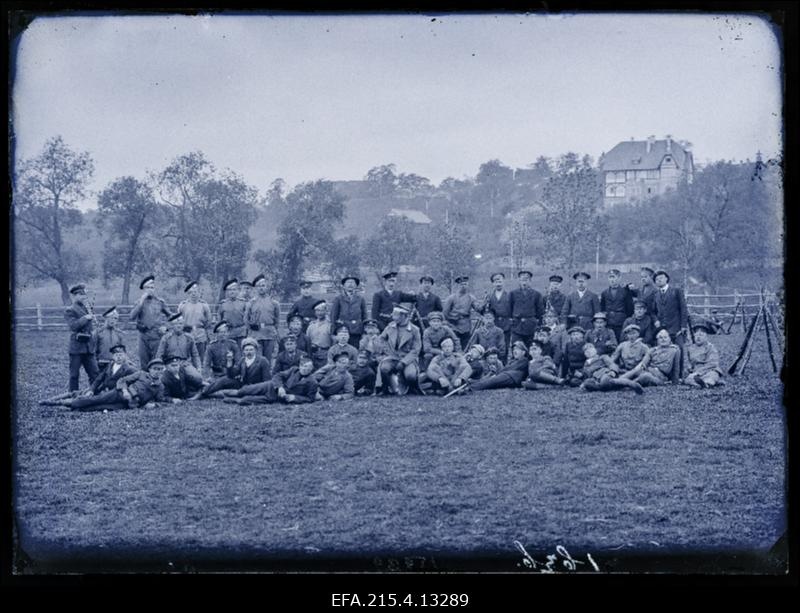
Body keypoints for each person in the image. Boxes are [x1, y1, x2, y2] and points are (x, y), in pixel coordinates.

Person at [40, 343, 136, 406]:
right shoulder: (110, 365)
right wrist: (92, 389)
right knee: (76, 393)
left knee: (84, 400)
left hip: (112, 394)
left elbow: (135, 382)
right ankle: (50, 400)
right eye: (116, 355)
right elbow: (99, 379)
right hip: (101, 389)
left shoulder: (129, 369)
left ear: (125, 356)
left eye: (121, 355)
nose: (118, 357)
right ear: (113, 357)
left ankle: (57, 403)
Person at [67, 358, 167, 412]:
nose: (157, 372)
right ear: (149, 369)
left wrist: (153, 405)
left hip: (129, 404)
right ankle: (63, 403)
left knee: (101, 407)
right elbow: (122, 380)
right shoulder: (141, 374)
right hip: (119, 393)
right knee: (97, 399)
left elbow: (160, 399)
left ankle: (77, 408)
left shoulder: (160, 386)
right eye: (155, 369)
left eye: (160, 369)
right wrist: (125, 391)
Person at [223, 355, 319, 405]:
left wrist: (294, 398)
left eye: (307, 367)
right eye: (302, 366)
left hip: (275, 398)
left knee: (246, 400)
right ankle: (217, 394)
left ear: (311, 368)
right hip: (270, 386)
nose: (304, 369)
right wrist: (280, 387)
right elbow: (278, 376)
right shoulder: (294, 370)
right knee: (244, 390)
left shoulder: (313, 382)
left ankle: (233, 400)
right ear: (299, 366)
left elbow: (310, 399)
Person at [193, 337, 271, 399]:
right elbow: (232, 375)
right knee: (224, 380)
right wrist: (229, 362)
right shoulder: (243, 360)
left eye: (251, 350)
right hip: (243, 385)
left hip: (255, 387)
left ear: (256, 350)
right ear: (243, 351)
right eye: (246, 350)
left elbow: (266, 381)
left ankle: (213, 394)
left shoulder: (262, 361)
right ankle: (203, 392)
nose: (249, 352)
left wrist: (260, 390)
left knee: (228, 393)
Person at [375, 303, 422, 395]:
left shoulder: (415, 330)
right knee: (384, 368)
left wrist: (404, 362)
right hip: (392, 357)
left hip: (407, 358)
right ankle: (385, 389)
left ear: (404, 316)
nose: (393, 317)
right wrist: (387, 350)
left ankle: (412, 389)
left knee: (410, 375)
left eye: (396, 315)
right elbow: (381, 339)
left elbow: (416, 349)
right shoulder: (390, 326)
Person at [63, 284, 100, 392]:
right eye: (81, 295)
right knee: (74, 375)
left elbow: (91, 326)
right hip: (77, 348)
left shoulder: (87, 308)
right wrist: (85, 318)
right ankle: (72, 396)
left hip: (89, 347)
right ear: (74, 296)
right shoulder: (69, 310)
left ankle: (95, 394)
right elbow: (73, 326)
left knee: (94, 373)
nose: (84, 297)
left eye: (84, 294)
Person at [129, 275, 172, 369]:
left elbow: (172, 317)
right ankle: (145, 382)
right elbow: (131, 317)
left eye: (152, 287)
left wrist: (166, 327)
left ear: (155, 288)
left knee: (156, 362)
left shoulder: (160, 302)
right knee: (144, 363)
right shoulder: (139, 302)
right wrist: (141, 301)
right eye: (147, 288)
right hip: (143, 336)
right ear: (143, 289)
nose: (150, 290)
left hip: (156, 336)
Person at [652, 270, 688, 376]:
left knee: (679, 349)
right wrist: (656, 320)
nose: (659, 280)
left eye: (661, 278)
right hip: (662, 329)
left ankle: (680, 375)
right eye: (657, 279)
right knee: (663, 350)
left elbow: (683, 309)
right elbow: (653, 311)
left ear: (667, 279)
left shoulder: (676, 291)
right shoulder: (656, 294)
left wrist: (683, 326)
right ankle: (666, 374)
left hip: (676, 327)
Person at [155, 312, 203, 387]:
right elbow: (159, 355)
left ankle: (189, 387)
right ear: (172, 326)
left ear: (183, 325)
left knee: (198, 378)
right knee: (161, 380)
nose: (178, 326)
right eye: (176, 324)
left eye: (180, 324)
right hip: (169, 364)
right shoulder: (166, 338)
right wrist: (161, 368)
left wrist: (198, 367)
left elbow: (195, 354)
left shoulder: (189, 338)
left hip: (184, 363)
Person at [579, 343, 644, 394]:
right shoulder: (586, 364)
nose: (589, 351)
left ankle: (631, 384)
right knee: (587, 383)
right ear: (585, 354)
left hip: (606, 373)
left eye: (591, 349)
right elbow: (586, 375)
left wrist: (613, 371)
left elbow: (612, 364)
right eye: (586, 351)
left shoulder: (602, 357)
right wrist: (583, 383)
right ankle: (616, 385)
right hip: (595, 379)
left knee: (605, 381)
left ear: (595, 350)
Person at [245, 274, 281, 364]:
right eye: (258, 286)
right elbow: (246, 319)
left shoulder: (274, 303)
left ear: (267, 287)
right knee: (257, 358)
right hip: (256, 333)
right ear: (256, 288)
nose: (261, 288)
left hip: (269, 333)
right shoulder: (251, 303)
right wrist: (252, 330)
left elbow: (277, 319)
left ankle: (267, 376)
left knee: (268, 359)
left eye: (263, 285)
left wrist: (273, 330)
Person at [443, 275, 484, 350]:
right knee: (453, 346)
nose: (463, 286)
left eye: (465, 284)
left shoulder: (471, 298)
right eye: (461, 284)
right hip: (453, 325)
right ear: (458, 285)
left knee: (466, 346)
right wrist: (450, 322)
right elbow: (445, 313)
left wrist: (484, 304)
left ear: (468, 285)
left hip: (466, 326)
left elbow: (478, 308)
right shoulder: (451, 298)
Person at [509, 270, 545, 350]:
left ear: (530, 281)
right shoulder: (513, 294)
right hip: (517, 326)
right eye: (522, 280)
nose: (524, 283)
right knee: (516, 348)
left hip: (531, 326)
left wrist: (538, 325)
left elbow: (540, 312)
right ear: (519, 281)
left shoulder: (536, 294)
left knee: (531, 348)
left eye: (526, 280)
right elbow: (510, 309)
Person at [178, 281, 212, 361]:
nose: (193, 294)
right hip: (187, 334)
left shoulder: (204, 305)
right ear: (188, 294)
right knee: (186, 357)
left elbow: (208, 320)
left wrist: (202, 329)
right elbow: (178, 320)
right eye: (190, 292)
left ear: (199, 292)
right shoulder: (182, 305)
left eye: (195, 292)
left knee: (200, 357)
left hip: (200, 334)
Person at [330, 276, 367, 349]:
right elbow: (333, 316)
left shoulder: (360, 299)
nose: (350, 284)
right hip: (343, 331)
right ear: (343, 286)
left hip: (356, 331)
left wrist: (364, 332)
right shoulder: (338, 299)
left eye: (353, 283)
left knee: (355, 351)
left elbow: (364, 316)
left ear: (356, 286)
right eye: (348, 282)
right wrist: (333, 333)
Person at [684, 322, 725, 388]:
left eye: (701, 335)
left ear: (706, 337)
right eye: (696, 335)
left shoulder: (710, 347)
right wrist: (689, 368)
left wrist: (698, 372)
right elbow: (689, 362)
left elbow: (712, 364)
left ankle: (706, 384)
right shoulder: (691, 348)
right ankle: (700, 384)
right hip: (695, 373)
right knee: (688, 379)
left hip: (709, 370)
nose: (698, 337)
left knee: (712, 375)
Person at [600, 269, 634, 343]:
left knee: (621, 340)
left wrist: (627, 321)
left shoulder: (625, 292)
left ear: (619, 278)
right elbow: (602, 308)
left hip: (621, 322)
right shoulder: (604, 293)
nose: (612, 280)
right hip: (609, 322)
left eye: (614, 277)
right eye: (610, 277)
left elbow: (630, 309)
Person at [487, 272, 513, 359]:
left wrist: (511, 321)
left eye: (500, 280)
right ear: (493, 283)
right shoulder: (489, 296)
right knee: (493, 346)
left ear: (503, 281)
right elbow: (486, 311)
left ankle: (503, 365)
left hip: (506, 325)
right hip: (494, 324)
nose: (498, 283)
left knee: (504, 347)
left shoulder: (510, 295)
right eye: (495, 281)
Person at [217, 279, 248, 349]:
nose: (232, 292)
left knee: (241, 355)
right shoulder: (223, 304)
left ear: (237, 291)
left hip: (241, 333)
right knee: (228, 355)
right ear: (227, 292)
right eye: (230, 290)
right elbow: (219, 319)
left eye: (234, 290)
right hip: (228, 333)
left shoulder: (243, 303)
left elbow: (247, 318)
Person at [93, 305, 125, 372]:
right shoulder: (98, 332)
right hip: (101, 364)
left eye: (115, 318)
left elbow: (122, 351)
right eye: (111, 318)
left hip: (115, 364)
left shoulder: (119, 333)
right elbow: (93, 350)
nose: (113, 320)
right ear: (106, 318)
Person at [306, 300, 333, 370]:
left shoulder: (330, 325)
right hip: (312, 354)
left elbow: (333, 342)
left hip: (325, 354)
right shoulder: (311, 325)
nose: (319, 313)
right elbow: (307, 340)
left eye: (322, 310)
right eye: (317, 311)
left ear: (326, 311)